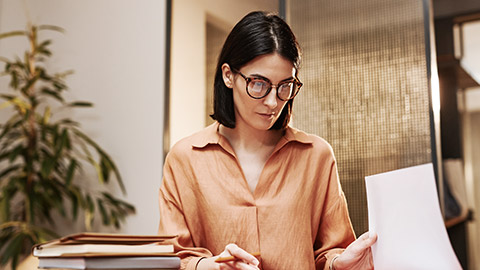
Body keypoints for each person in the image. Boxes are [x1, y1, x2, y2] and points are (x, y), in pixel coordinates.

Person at [158, 11, 377, 270]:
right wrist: (212, 266)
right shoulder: (185, 158)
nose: (273, 102)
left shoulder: (317, 155)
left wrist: (339, 263)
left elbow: (330, 252)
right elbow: (172, 259)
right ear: (228, 75)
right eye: (259, 84)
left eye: (285, 86)